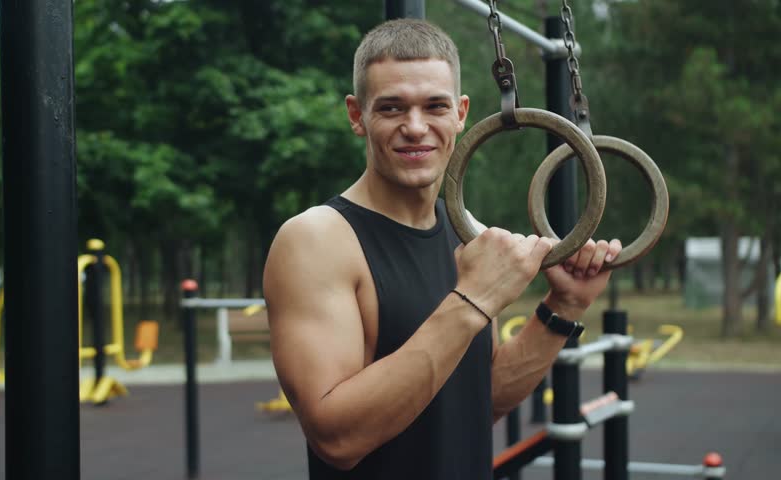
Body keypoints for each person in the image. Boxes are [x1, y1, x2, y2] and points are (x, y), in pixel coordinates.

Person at [263, 18, 622, 480]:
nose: (416, 127)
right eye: (392, 108)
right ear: (357, 115)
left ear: (461, 112)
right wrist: (473, 300)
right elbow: (337, 438)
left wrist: (565, 306)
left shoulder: (465, 235)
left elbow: (479, 399)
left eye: (435, 106)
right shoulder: (316, 240)